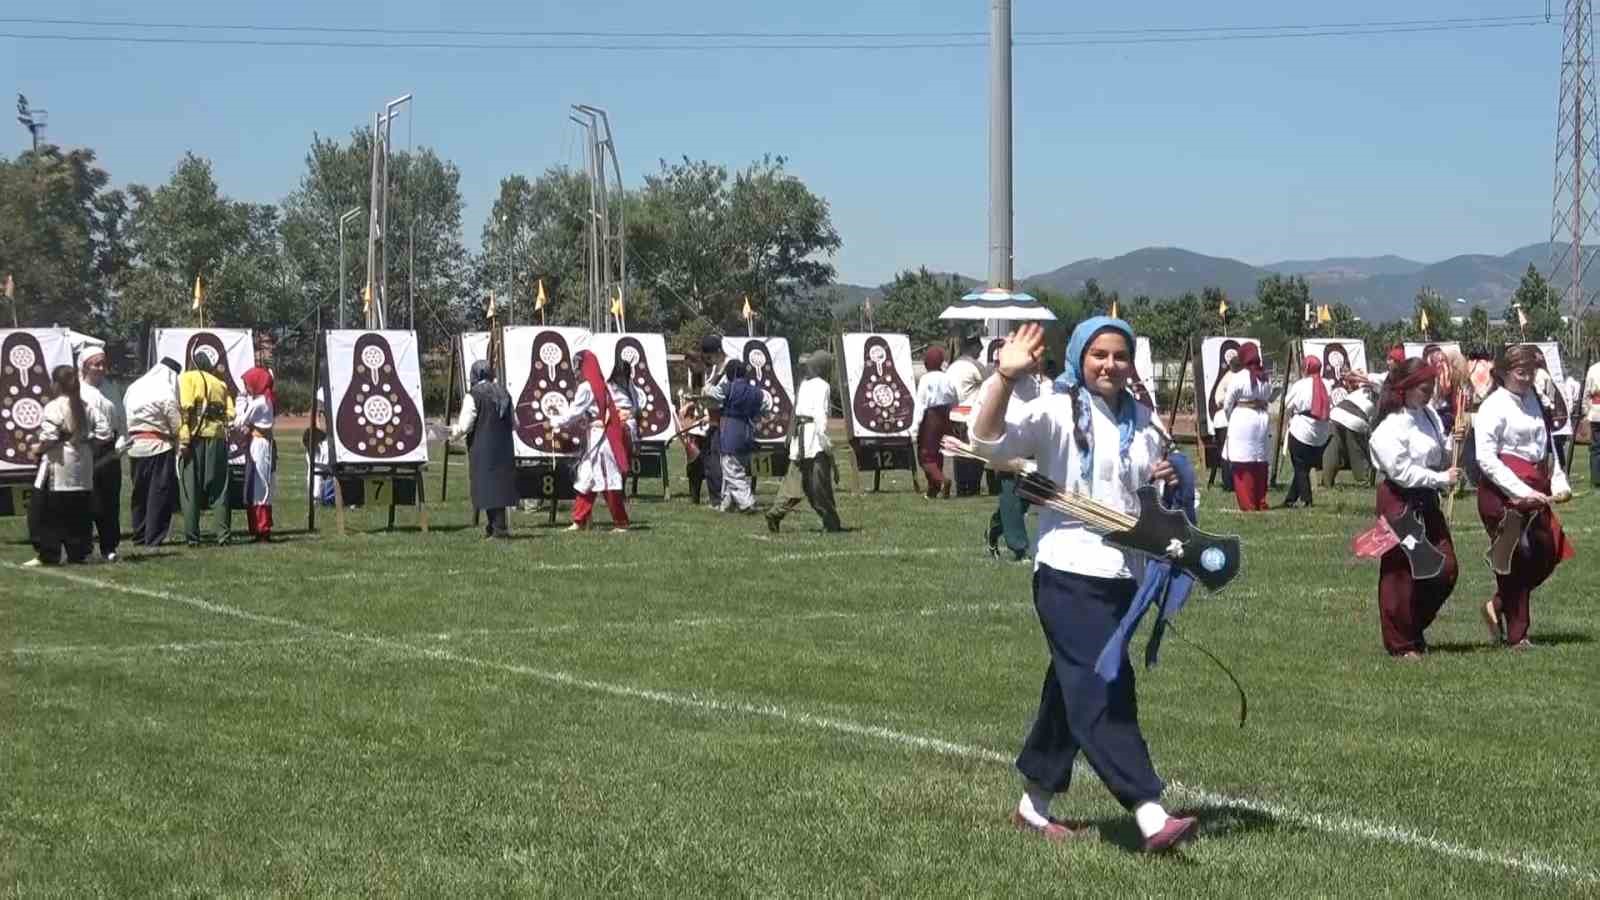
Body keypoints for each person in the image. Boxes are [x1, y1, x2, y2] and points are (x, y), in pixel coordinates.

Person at [970, 318, 1196, 852]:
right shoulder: (1054, 409)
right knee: (1104, 686)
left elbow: (1149, 493)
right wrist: (1004, 378)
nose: (1110, 365)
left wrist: (1168, 478)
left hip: (1124, 577)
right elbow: (987, 445)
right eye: (1099, 354)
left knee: (1068, 688)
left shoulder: (1144, 419)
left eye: (1120, 355)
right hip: (1067, 572)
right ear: (1079, 356)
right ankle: (1148, 810)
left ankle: (1034, 804)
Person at [1474, 344, 1575, 648]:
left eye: (1531, 371)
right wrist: (1522, 491)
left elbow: (1549, 446)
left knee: (1547, 551)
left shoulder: (1536, 399)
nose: (1528, 377)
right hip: (1501, 493)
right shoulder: (1492, 406)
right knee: (1515, 557)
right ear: (1504, 373)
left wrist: (1558, 479)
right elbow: (1486, 458)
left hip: (1536, 487)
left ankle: (1498, 604)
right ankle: (1518, 636)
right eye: (1521, 372)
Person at [1369, 358, 1462, 658]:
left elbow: (1438, 453)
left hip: (1426, 499)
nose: (1429, 394)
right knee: (1401, 573)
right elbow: (1402, 473)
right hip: (1398, 501)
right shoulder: (1389, 427)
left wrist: (1454, 442)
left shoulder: (1430, 415)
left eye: (1431, 388)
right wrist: (1441, 479)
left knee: (1445, 568)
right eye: (1424, 388)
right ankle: (1401, 643)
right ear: (1406, 388)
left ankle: (1412, 627)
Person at [24, 366, 111, 567]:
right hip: (82, 466)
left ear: (56, 384)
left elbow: (49, 437)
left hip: (59, 466)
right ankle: (78, 553)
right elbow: (105, 433)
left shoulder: (54, 407)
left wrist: (37, 449)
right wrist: (87, 443)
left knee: (43, 511)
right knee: (78, 511)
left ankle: (49, 553)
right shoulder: (87, 406)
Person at [552, 351, 635, 531]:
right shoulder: (599, 384)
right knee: (587, 478)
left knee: (608, 479)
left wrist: (555, 421)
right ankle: (579, 520)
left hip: (602, 440)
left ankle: (621, 522)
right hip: (597, 437)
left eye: (578, 366)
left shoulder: (587, 387)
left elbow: (574, 413)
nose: (576, 371)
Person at [766, 352, 843, 533]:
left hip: (799, 440)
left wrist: (790, 435)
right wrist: (826, 444)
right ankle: (831, 522)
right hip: (814, 441)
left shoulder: (804, 384)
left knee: (792, 482)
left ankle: (776, 512)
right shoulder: (823, 386)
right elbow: (820, 415)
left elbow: (796, 412)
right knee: (819, 485)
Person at [985, 351, 1050, 561]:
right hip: (1006, 447)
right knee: (1011, 496)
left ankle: (995, 527)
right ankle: (1019, 548)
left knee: (1024, 499)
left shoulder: (1041, 385)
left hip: (1033, 447)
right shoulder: (994, 384)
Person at [450, 360, 519, 539]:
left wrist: (452, 433)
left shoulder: (474, 395)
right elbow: (515, 423)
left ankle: (499, 529)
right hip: (503, 447)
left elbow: (465, 426)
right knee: (498, 486)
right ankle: (494, 527)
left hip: (482, 446)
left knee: (488, 486)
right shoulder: (504, 393)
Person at [177, 345, 235, 546]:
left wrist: (184, 439)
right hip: (217, 439)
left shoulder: (187, 378)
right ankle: (223, 535)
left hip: (196, 438)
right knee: (220, 488)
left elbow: (185, 409)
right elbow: (230, 413)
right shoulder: (221, 384)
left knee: (190, 489)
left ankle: (193, 537)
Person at [123, 357, 182, 547]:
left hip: (135, 446)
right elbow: (175, 420)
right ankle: (154, 536)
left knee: (139, 492)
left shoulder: (134, 387)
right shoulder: (165, 389)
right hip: (158, 446)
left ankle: (139, 533)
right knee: (159, 491)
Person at [77, 346, 124, 561]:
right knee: (88, 499)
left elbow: (120, 418)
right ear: (85, 366)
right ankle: (83, 547)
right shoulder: (78, 390)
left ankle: (109, 546)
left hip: (110, 449)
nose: (101, 368)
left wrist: (121, 439)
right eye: (96, 364)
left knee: (110, 498)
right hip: (87, 448)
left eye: (103, 364)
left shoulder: (110, 389)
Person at [709, 360, 772, 513]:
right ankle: (727, 503)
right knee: (733, 468)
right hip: (748, 433)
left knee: (732, 470)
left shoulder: (728, 388)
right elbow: (767, 405)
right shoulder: (757, 392)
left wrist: (717, 375)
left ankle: (747, 503)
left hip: (730, 433)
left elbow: (709, 392)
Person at [1221, 343, 1271, 511]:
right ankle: (1260, 500)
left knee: (1242, 463)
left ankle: (1247, 503)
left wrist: (1231, 418)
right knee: (1259, 461)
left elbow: (1228, 403)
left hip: (1242, 418)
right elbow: (1267, 396)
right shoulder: (1264, 377)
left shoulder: (1239, 377)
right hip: (1261, 419)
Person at [1281, 356, 1333, 508]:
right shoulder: (1327, 384)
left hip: (1302, 430)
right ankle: (1290, 499)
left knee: (1300, 466)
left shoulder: (1300, 385)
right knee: (1303, 467)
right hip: (1321, 433)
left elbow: (1287, 404)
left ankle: (1306, 499)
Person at [233, 367, 277, 542]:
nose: (247, 387)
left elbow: (240, 422)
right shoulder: (265, 399)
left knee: (260, 486)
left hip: (259, 445)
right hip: (260, 443)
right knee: (259, 485)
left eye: (248, 384)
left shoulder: (259, 403)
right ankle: (260, 528)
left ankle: (262, 529)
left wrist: (240, 401)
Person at [910, 346, 956, 499]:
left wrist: (914, 429)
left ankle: (942, 481)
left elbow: (920, 404)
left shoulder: (926, 379)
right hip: (946, 416)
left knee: (926, 456)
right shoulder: (947, 377)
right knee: (938, 453)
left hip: (931, 418)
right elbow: (954, 398)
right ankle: (933, 490)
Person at [946, 336, 989, 496]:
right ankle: (973, 487)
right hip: (971, 416)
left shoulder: (952, 367)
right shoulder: (975, 366)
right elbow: (990, 383)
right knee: (975, 453)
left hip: (954, 415)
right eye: (979, 348)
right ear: (972, 347)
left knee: (958, 454)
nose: (981, 351)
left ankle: (961, 487)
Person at [1323, 370, 1378, 488]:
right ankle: (1363, 481)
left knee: (1333, 449)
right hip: (1355, 418)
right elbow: (1372, 425)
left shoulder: (1358, 392)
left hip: (1336, 414)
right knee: (1357, 450)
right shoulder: (1378, 398)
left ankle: (1327, 481)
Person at [696, 335, 728, 507]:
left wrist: (707, 391)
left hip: (724, 420)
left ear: (717, 352)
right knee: (708, 458)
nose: (708, 360)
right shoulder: (717, 368)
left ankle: (719, 498)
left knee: (716, 460)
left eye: (709, 356)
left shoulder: (729, 367)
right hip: (713, 418)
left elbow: (721, 393)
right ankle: (715, 495)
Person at [1586, 353, 1600, 485]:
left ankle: (1596, 479)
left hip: (1596, 411)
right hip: (1597, 410)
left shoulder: (1593, 369)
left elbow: (1587, 392)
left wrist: (1588, 410)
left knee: (1596, 447)